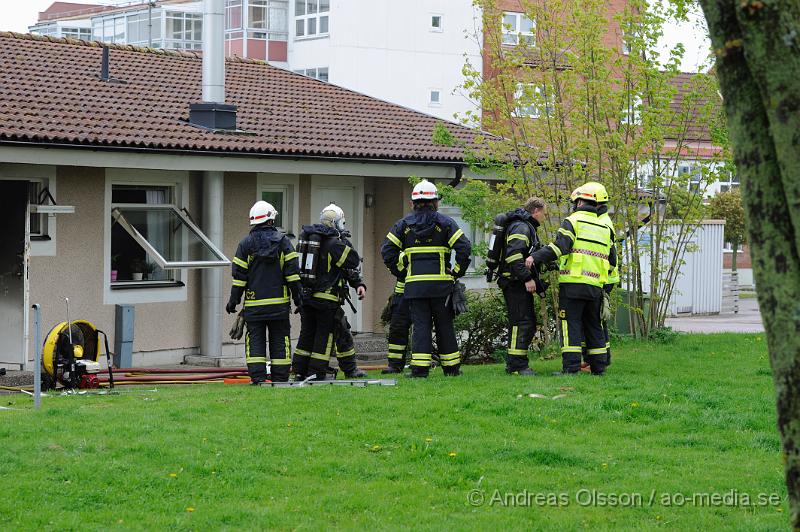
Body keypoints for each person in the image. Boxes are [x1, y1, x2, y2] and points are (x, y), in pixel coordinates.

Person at [381, 180, 472, 378]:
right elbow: (464, 247)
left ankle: (420, 370)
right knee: (444, 325)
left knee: (421, 326)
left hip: (414, 287)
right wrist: (456, 272)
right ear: (435, 202)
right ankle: (451, 368)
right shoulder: (446, 223)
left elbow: (386, 250)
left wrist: (401, 271)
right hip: (441, 286)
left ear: (413, 202)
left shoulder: (403, 225)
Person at [528, 182, 616, 375]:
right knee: (594, 325)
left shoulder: (573, 221)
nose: (574, 205)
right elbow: (612, 260)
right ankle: (599, 368)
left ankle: (571, 368)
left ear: (582, 201)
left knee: (571, 324)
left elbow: (560, 247)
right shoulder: (605, 227)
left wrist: (535, 257)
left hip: (574, 284)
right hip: (596, 286)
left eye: (576, 201)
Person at [226, 200, 301, 384]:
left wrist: (233, 301)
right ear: (270, 220)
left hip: (254, 307)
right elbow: (293, 276)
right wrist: (300, 301)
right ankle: (280, 380)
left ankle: (258, 380)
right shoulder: (284, 243)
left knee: (255, 342)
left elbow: (239, 278)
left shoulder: (245, 244)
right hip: (279, 307)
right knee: (279, 340)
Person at [293, 204, 363, 381]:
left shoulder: (308, 243)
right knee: (326, 336)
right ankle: (317, 373)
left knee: (308, 334)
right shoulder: (335, 244)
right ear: (338, 223)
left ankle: (300, 370)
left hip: (306, 299)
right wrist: (344, 240)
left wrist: (358, 284)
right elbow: (353, 261)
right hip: (327, 300)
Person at [496, 197, 547, 376]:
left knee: (525, 322)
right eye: (543, 214)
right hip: (515, 283)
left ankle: (515, 364)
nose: (544, 218)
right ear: (536, 211)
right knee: (521, 323)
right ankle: (517, 366)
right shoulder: (522, 227)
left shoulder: (524, 226)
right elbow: (513, 255)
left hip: (515, 282)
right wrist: (527, 279)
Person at [332, 261, 368, 378]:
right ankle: (313, 371)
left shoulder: (342, 245)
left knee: (343, 334)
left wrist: (359, 284)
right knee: (317, 338)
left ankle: (350, 370)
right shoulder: (313, 246)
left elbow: (350, 267)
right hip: (321, 301)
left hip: (332, 302)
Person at [382, 255, 412, 374]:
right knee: (397, 329)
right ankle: (395, 365)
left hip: (422, 293)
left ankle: (420, 364)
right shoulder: (402, 242)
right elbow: (390, 258)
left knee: (422, 329)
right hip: (401, 294)